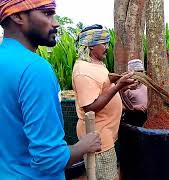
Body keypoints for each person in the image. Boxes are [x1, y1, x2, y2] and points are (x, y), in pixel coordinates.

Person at [0, 0, 101, 179]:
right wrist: (83, 146)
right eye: (47, 13)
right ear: (17, 16)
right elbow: (48, 159)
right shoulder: (34, 69)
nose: (56, 22)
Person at [72, 25, 137, 180]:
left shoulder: (95, 63)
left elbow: (103, 81)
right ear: (92, 45)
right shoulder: (83, 71)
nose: (107, 47)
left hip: (105, 133)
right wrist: (119, 86)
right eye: (104, 44)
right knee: (106, 176)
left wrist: (119, 78)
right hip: (98, 137)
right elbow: (90, 107)